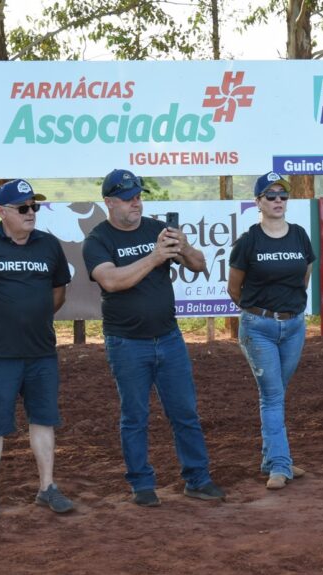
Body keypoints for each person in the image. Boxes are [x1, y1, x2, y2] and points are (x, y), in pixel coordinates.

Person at [82, 169, 224, 506]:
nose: (136, 203)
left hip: (169, 337)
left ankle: (198, 478)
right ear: (109, 202)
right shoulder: (98, 240)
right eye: (128, 198)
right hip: (127, 341)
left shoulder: (158, 229)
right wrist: (156, 257)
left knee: (185, 412)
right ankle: (142, 484)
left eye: (138, 196)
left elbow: (200, 265)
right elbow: (112, 281)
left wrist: (184, 247)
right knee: (135, 416)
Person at [0, 179, 74, 522]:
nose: (31, 213)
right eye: (23, 208)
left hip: (40, 352)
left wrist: (30, 319)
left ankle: (47, 487)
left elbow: (58, 294)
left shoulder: (49, 246)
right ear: (2, 212)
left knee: (44, 420)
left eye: (34, 206)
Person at [228, 172, 316, 490]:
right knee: (273, 395)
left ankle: (271, 458)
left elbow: (303, 275)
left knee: (275, 393)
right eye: (271, 196)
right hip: (259, 327)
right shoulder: (249, 241)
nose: (278, 201)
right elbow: (234, 288)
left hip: (293, 325)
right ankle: (280, 465)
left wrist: (287, 308)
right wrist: (260, 313)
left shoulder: (299, 236)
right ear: (258, 203)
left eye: (283, 196)